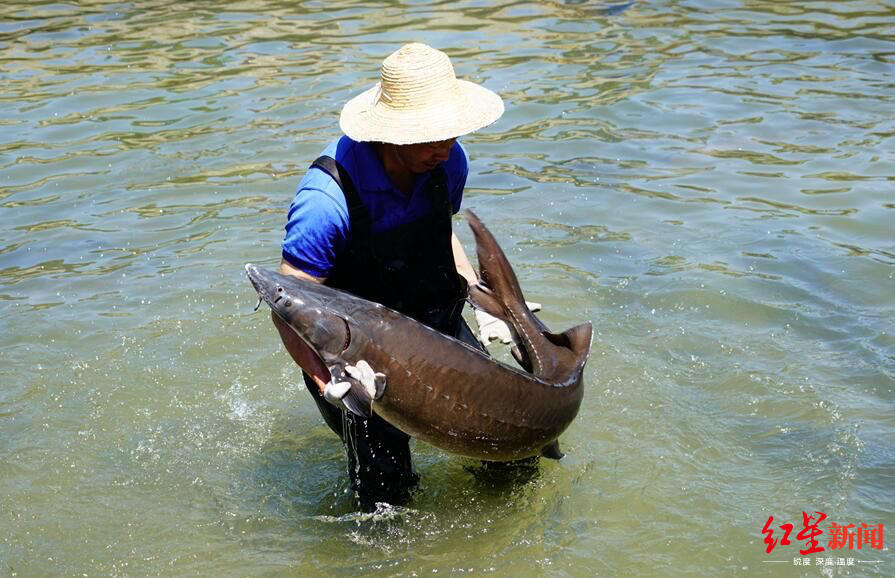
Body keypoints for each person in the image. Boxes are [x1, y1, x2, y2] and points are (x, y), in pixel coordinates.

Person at [272, 43, 505, 511]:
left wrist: (484, 302)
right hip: (359, 358)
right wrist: (329, 383)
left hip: (434, 327)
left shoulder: (447, 161)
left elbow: (443, 231)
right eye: (430, 136)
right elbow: (287, 305)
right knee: (385, 497)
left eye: (450, 133)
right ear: (389, 134)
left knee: (505, 448)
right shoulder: (325, 198)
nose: (445, 147)